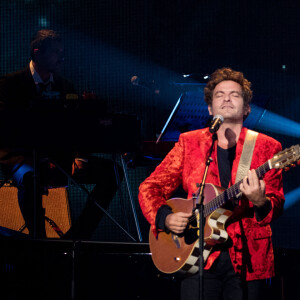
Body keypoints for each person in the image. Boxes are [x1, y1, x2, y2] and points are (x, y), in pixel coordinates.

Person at [138, 67, 285, 300]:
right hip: (197, 258)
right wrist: (165, 217)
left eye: (235, 94)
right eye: (219, 94)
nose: (226, 98)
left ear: (247, 108)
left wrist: (260, 201)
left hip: (247, 260)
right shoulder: (190, 142)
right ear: (209, 108)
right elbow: (150, 187)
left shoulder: (267, 147)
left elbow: (275, 203)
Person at [0, 29, 122, 239]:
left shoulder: (66, 86)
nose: (62, 57)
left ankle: (75, 239)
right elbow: (6, 129)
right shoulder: (9, 84)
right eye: (56, 52)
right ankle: (41, 245)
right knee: (30, 177)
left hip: (59, 160)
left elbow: (76, 127)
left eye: (62, 51)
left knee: (113, 171)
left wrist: (79, 155)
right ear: (37, 53)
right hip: (21, 158)